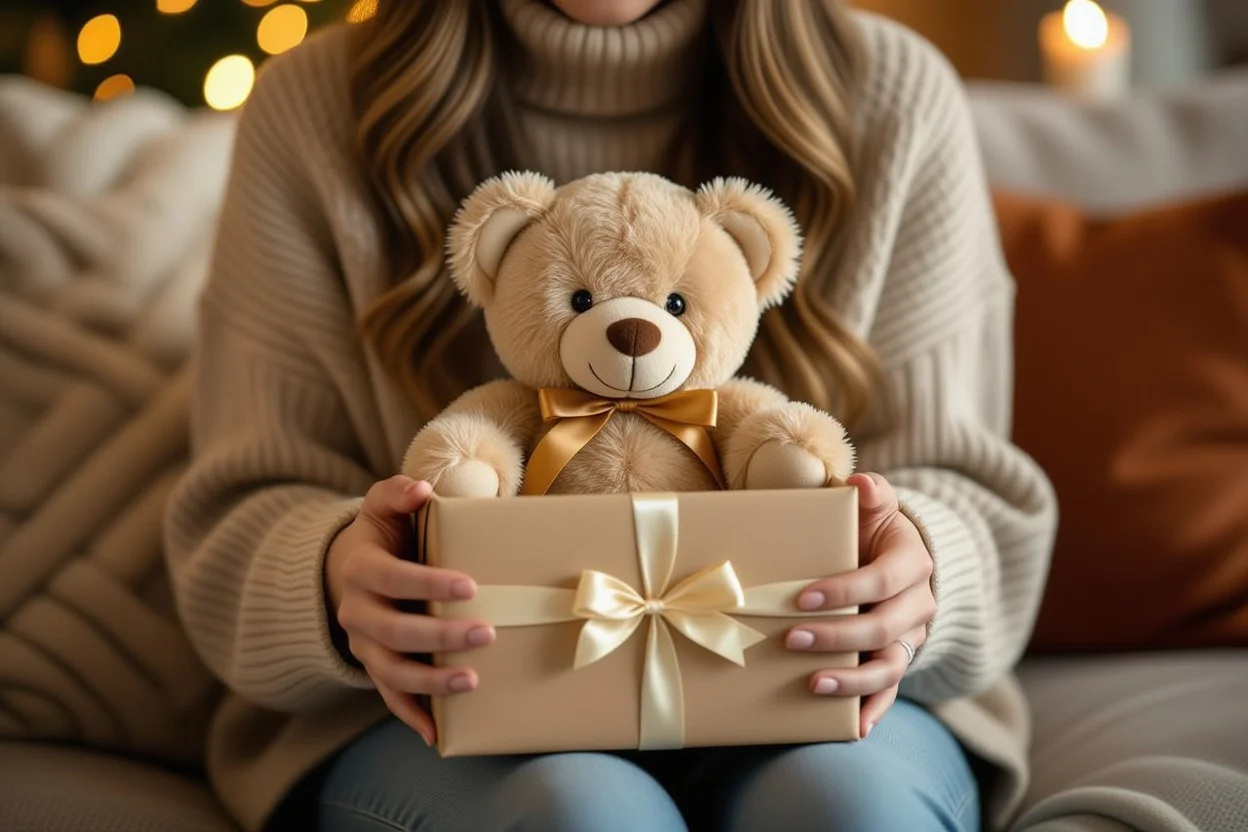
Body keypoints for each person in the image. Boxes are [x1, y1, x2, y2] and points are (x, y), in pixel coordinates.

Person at [164, 1, 1057, 830]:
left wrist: (920, 576)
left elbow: (973, 491)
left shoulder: (893, 94)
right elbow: (236, 516)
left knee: (846, 808)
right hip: (432, 712)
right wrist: (335, 583)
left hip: (835, 701)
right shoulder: (314, 105)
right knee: (581, 813)